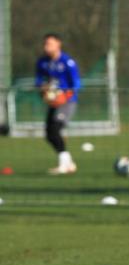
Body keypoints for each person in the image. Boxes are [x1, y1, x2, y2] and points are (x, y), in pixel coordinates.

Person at [35, 33, 82, 175]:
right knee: (49, 134)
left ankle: (64, 165)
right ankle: (68, 163)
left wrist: (64, 96)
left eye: (49, 43)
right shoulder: (42, 62)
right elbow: (39, 82)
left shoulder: (67, 62)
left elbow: (77, 84)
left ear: (58, 44)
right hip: (53, 103)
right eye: (45, 44)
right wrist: (44, 91)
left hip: (67, 102)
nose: (46, 47)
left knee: (55, 129)